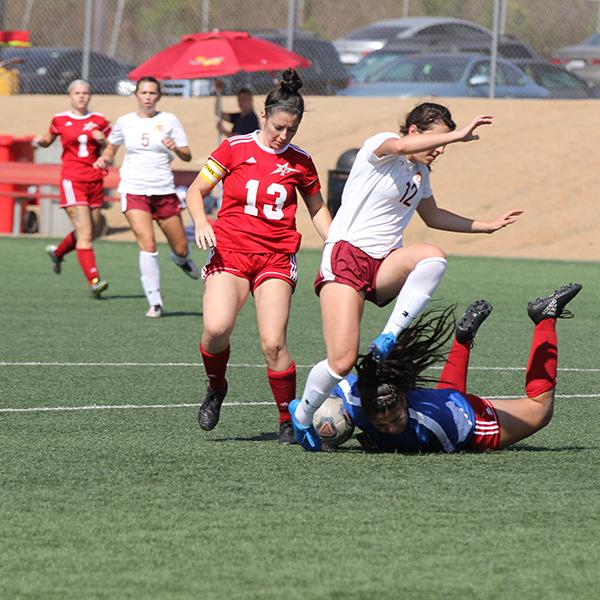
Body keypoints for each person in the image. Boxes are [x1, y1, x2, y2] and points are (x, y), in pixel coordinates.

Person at [289, 102, 523, 451]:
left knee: (432, 257)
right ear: (414, 131)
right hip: (347, 256)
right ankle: (302, 415)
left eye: (446, 143)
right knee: (341, 361)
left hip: (383, 264)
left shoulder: (420, 175)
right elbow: (398, 146)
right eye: (437, 140)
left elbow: (433, 216)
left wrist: (485, 227)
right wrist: (459, 136)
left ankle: (387, 337)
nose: (441, 149)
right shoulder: (381, 146)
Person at [185, 68, 332, 443]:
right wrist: (201, 221)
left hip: (276, 258)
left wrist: (335, 243)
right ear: (264, 115)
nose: (284, 136)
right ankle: (216, 386)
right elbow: (195, 191)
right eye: (279, 127)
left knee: (273, 343)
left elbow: (317, 209)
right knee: (216, 329)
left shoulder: (300, 161)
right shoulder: (234, 148)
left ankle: (289, 418)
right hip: (230, 252)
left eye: (292, 130)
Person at [328, 283, 582, 453]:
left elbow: (451, 436)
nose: (392, 427)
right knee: (445, 398)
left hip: (472, 422)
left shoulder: (428, 429)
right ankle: (462, 340)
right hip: (443, 403)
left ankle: (545, 317)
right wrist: (306, 414)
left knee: (540, 410)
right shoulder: (358, 398)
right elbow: (336, 382)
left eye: (395, 419)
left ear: (403, 399)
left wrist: (376, 439)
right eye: (382, 425)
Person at [94, 76, 200, 318]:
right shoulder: (125, 122)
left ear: (159, 96)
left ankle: (181, 260)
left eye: (153, 93)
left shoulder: (169, 120)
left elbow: (186, 155)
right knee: (148, 244)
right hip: (134, 190)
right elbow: (112, 146)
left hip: (163, 190)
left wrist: (175, 147)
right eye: (144, 92)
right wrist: (106, 157)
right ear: (136, 95)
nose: (148, 97)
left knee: (181, 248)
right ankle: (155, 302)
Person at [35, 79, 110, 297]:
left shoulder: (99, 120)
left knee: (92, 231)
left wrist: (103, 141)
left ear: (90, 96)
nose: (81, 96)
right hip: (72, 180)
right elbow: (48, 140)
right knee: (85, 233)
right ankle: (94, 281)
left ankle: (58, 253)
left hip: (95, 180)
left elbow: (110, 147)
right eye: (77, 93)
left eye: (85, 92)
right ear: (70, 96)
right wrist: (40, 141)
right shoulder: (60, 119)